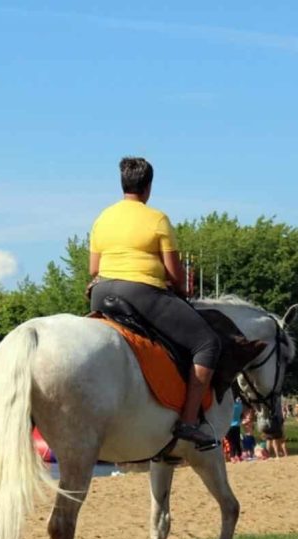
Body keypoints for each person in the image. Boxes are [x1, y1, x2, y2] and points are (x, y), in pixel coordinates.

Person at [87, 157, 221, 447]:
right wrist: (183, 291)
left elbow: (93, 269)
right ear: (148, 187)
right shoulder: (157, 219)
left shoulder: (102, 218)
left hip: (101, 293)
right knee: (207, 343)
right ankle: (187, 422)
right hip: (141, 294)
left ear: (122, 183)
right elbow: (175, 274)